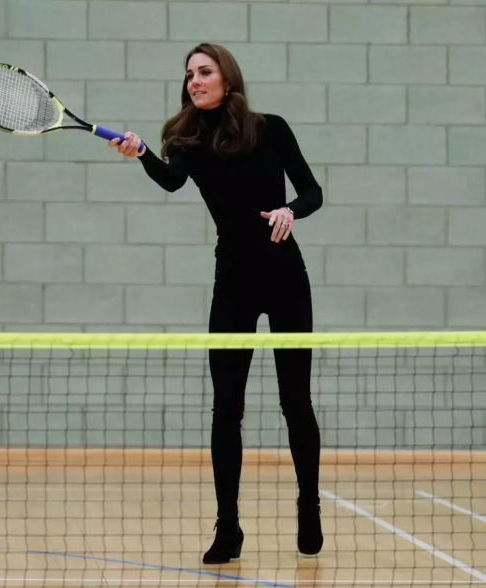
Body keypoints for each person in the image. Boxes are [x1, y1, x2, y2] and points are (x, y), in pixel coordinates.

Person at [108, 43, 324, 562]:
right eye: (188, 75)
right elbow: (172, 181)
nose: (194, 81)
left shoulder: (271, 127)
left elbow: (313, 192)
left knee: (296, 401)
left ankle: (309, 505)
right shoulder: (183, 137)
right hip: (232, 282)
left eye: (204, 72)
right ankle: (228, 528)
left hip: (285, 275)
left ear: (227, 77)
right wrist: (140, 155)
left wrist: (291, 211)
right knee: (226, 408)